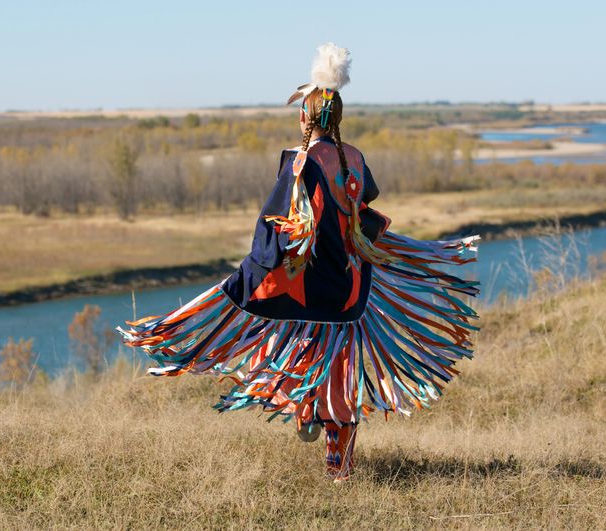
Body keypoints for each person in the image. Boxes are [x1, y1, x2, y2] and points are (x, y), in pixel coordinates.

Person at [117, 43, 479, 482]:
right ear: (338, 118)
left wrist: (252, 271)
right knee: (340, 367)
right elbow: (358, 209)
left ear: (305, 116)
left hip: (304, 286)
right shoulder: (357, 159)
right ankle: (338, 459)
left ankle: (306, 409)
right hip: (348, 289)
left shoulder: (298, 162)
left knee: (294, 347)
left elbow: (275, 223)